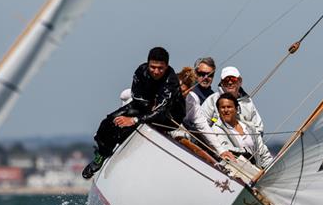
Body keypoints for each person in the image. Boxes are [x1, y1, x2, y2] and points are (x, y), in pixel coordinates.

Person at [82, 47, 186, 179]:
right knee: (108, 122)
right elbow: (136, 97)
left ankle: (123, 141)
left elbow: (161, 111)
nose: (156, 71)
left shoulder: (171, 80)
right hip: (145, 107)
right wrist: (146, 108)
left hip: (169, 117)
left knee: (132, 125)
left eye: (161, 68)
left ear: (166, 66)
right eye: (153, 67)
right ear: (148, 64)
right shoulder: (141, 71)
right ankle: (102, 154)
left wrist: (134, 120)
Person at [212, 93, 273, 169]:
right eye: (222, 107)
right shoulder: (216, 129)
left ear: (236, 109)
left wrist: (272, 168)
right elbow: (226, 148)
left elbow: (263, 152)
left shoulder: (250, 127)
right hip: (235, 172)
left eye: (229, 107)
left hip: (258, 173)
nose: (226, 110)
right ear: (218, 110)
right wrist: (246, 152)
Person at [201, 66, 264, 135]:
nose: (230, 83)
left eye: (233, 79)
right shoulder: (212, 100)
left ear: (240, 81)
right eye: (226, 80)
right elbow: (202, 124)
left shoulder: (247, 102)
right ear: (221, 83)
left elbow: (259, 127)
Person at [175, 66, 221, 152]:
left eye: (185, 91)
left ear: (190, 89)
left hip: (182, 131)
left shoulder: (192, 99)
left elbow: (202, 124)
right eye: (179, 90)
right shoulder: (166, 90)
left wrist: (220, 150)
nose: (181, 94)